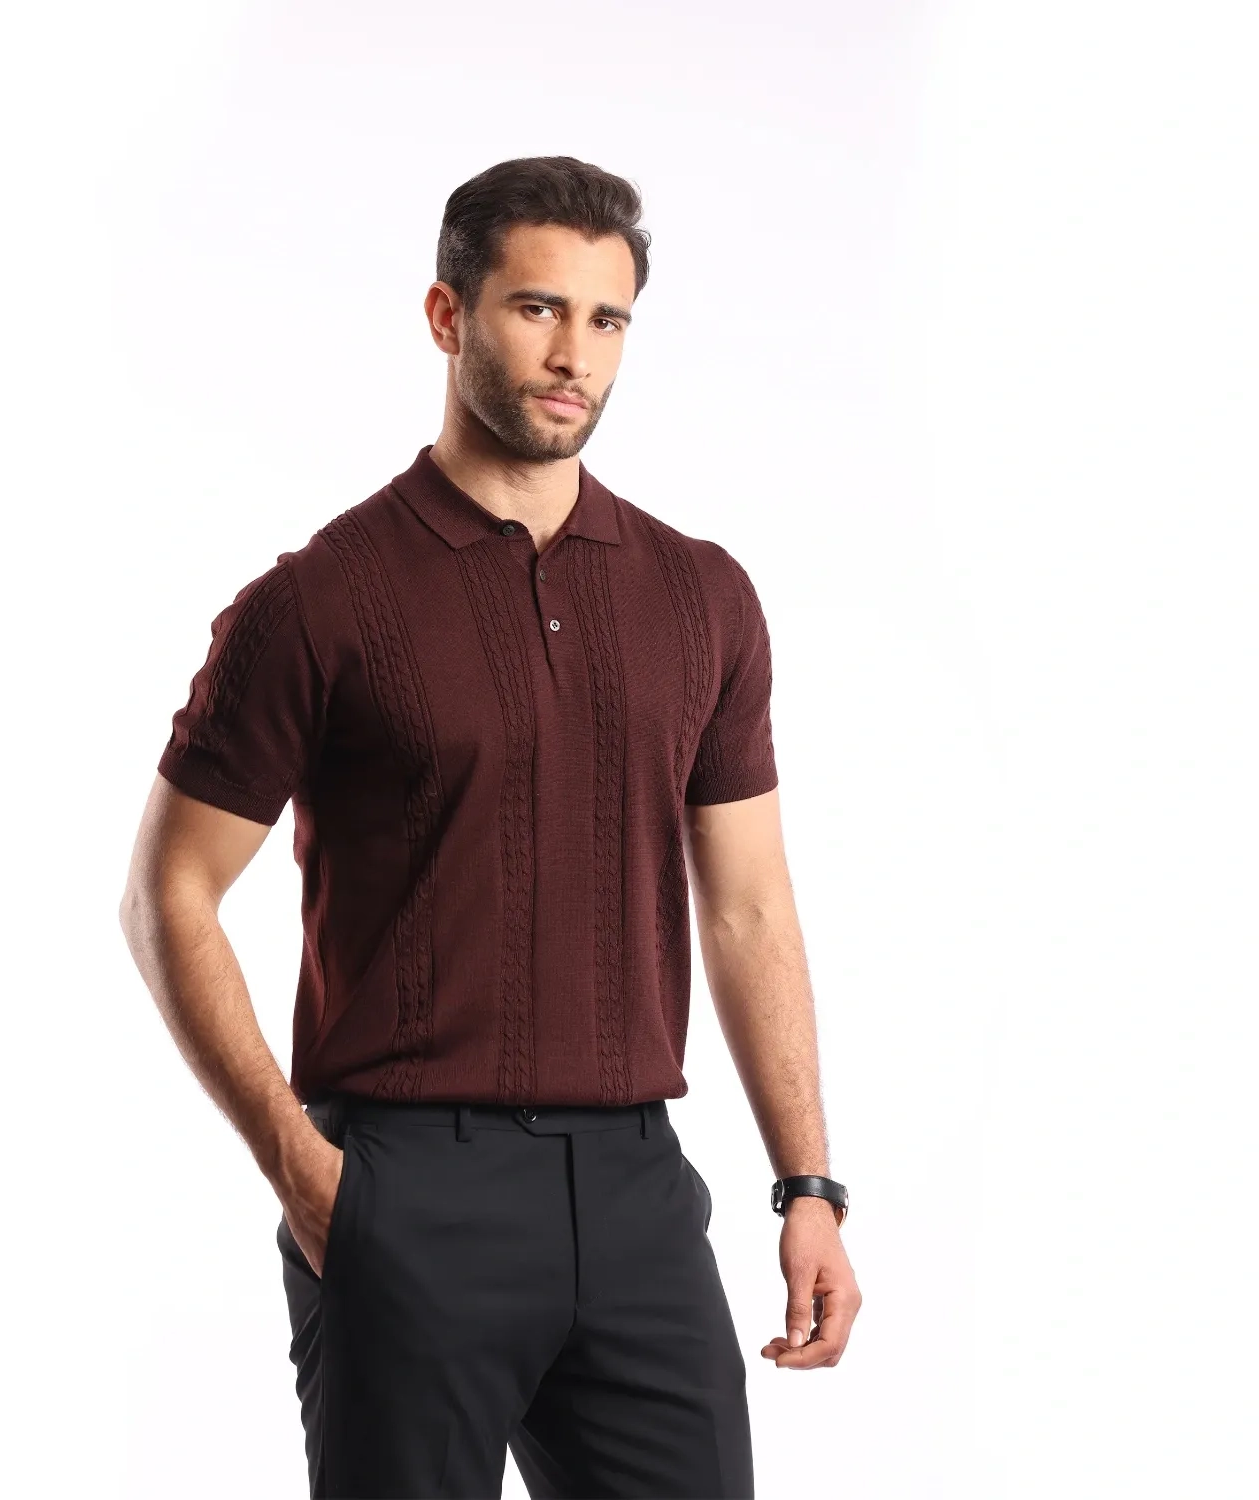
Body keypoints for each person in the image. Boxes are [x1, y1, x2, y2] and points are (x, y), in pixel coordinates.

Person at [119, 154, 862, 1499]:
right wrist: (304, 1172)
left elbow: (750, 905)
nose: (574, 354)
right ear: (447, 315)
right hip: (406, 1183)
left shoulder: (702, 596)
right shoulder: (319, 602)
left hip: (640, 1190)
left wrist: (807, 1184)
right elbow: (168, 892)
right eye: (537, 309)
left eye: (607, 318)